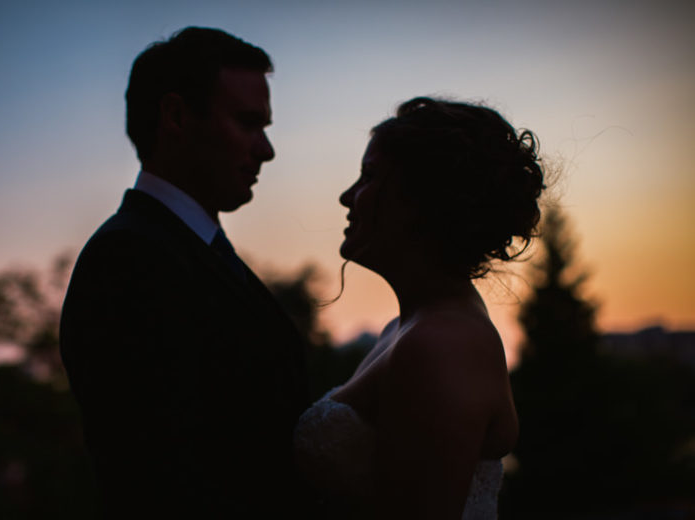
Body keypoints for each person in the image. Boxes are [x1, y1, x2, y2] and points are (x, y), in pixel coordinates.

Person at [60, 27, 310, 518]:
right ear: (175, 116)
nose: (266, 150)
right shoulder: (129, 261)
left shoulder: (190, 250)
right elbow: (164, 474)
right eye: (247, 122)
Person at [294, 97, 545, 518]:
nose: (346, 196)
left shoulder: (443, 345)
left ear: (421, 200)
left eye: (368, 176)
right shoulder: (406, 327)